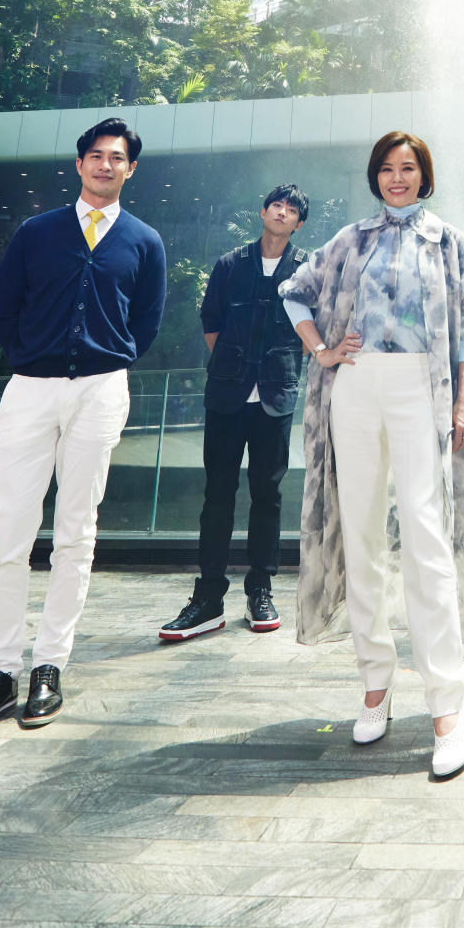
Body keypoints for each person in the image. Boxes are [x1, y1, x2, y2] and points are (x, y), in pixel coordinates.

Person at [280, 131, 464, 779]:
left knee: (426, 536)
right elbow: (293, 290)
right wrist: (321, 350)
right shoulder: (351, 239)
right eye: (387, 169)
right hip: (356, 383)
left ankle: (447, 707)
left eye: (409, 168)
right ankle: (375, 685)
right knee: (362, 534)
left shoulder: (448, 241)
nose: (397, 178)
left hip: (421, 385)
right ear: (375, 177)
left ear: (425, 176)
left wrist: (463, 401)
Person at [0, 118, 166, 738]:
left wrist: (107, 357)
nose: (104, 165)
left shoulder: (144, 241)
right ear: (78, 165)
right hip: (30, 390)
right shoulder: (36, 232)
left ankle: (50, 664)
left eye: (116, 158)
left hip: (101, 391)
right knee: (9, 529)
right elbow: (3, 309)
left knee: (76, 530)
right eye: (94, 156)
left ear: (130, 169)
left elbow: (145, 320)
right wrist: (31, 356)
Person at [158, 183, 310, 643]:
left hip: (275, 398)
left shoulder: (306, 269)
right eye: (276, 205)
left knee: (268, 495)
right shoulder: (230, 264)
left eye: (292, 210)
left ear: (299, 223)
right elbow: (212, 322)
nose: (282, 213)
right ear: (262, 211)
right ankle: (208, 598)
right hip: (227, 396)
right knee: (217, 495)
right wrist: (234, 365)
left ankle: (260, 589)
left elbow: (314, 325)